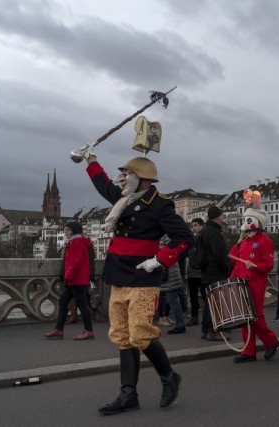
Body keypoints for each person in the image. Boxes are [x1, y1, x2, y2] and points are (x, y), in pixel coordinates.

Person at [83, 150, 193, 415]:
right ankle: (128, 395)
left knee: (141, 333)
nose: (122, 178)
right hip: (118, 274)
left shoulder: (160, 204)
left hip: (142, 277)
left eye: (127, 174)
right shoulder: (123, 198)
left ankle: (169, 377)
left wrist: (160, 260)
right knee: (122, 336)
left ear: (142, 179)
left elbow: (185, 237)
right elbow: (103, 185)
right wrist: (91, 161)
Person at [228, 191, 279, 362]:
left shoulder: (266, 241)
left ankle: (271, 342)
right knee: (245, 318)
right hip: (242, 283)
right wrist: (231, 279)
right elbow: (234, 259)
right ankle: (249, 351)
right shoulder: (244, 241)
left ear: (256, 222)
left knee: (255, 316)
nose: (244, 224)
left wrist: (255, 266)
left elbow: (268, 265)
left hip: (256, 283)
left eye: (247, 221)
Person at [43, 221, 95, 341]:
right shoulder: (74, 242)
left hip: (77, 280)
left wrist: (68, 277)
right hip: (75, 280)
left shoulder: (76, 242)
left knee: (81, 304)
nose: (65, 232)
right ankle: (58, 330)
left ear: (73, 230)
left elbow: (75, 263)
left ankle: (88, 331)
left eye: (67, 230)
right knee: (63, 302)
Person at [198, 206, 231, 340]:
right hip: (216, 273)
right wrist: (227, 269)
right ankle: (214, 331)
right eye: (222, 216)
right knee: (216, 303)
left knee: (209, 303)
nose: (223, 218)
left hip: (206, 273)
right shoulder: (214, 233)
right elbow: (219, 255)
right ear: (217, 217)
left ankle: (205, 330)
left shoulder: (205, 232)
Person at [158, 236, 187, 334]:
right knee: (173, 299)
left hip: (168, 273)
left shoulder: (165, 236)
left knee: (172, 300)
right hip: (171, 271)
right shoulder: (169, 235)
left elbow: (167, 251)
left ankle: (180, 324)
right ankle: (180, 322)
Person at [186, 218, 206, 327]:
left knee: (205, 296)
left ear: (202, 226)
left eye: (196, 225)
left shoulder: (204, 238)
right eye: (192, 226)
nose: (194, 228)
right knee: (193, 297)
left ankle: (207, 317)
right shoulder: (191, 239)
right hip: (191, 273)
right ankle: (194, 318)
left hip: (202, 273)